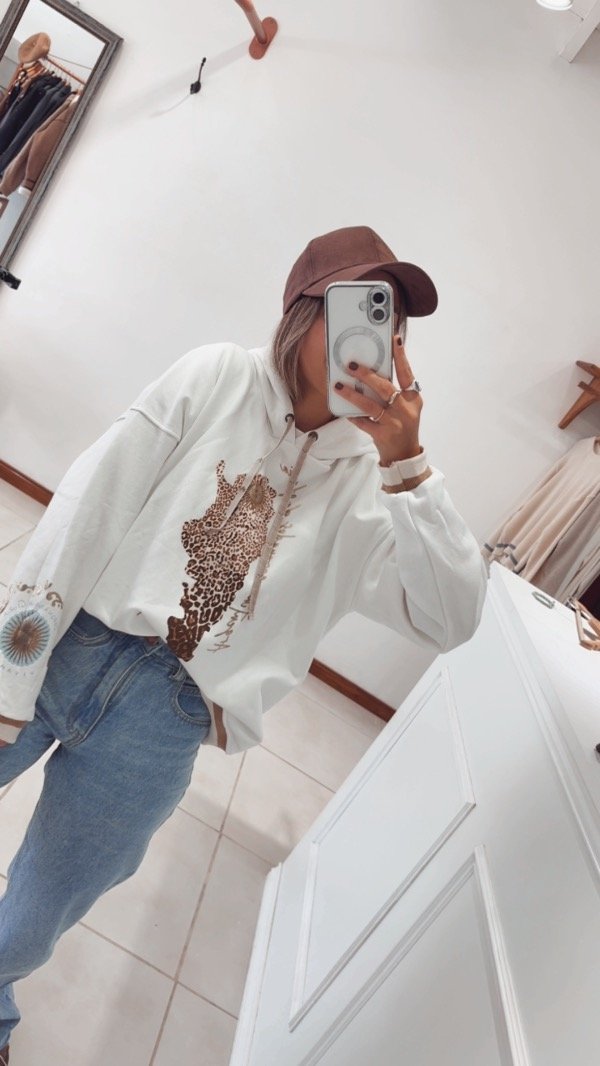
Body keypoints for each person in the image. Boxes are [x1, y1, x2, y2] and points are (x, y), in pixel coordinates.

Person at [0, 225, 488, 1058]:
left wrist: (410, 468)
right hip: (70, 642)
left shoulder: (373, 485)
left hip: (165, 722)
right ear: (302, 311)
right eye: (360, 310)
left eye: (395, 328)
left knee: (44, 909)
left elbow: (453, 618)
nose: (376, 342)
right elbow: (86, 511)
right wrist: (13, 671)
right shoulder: (216, 376)